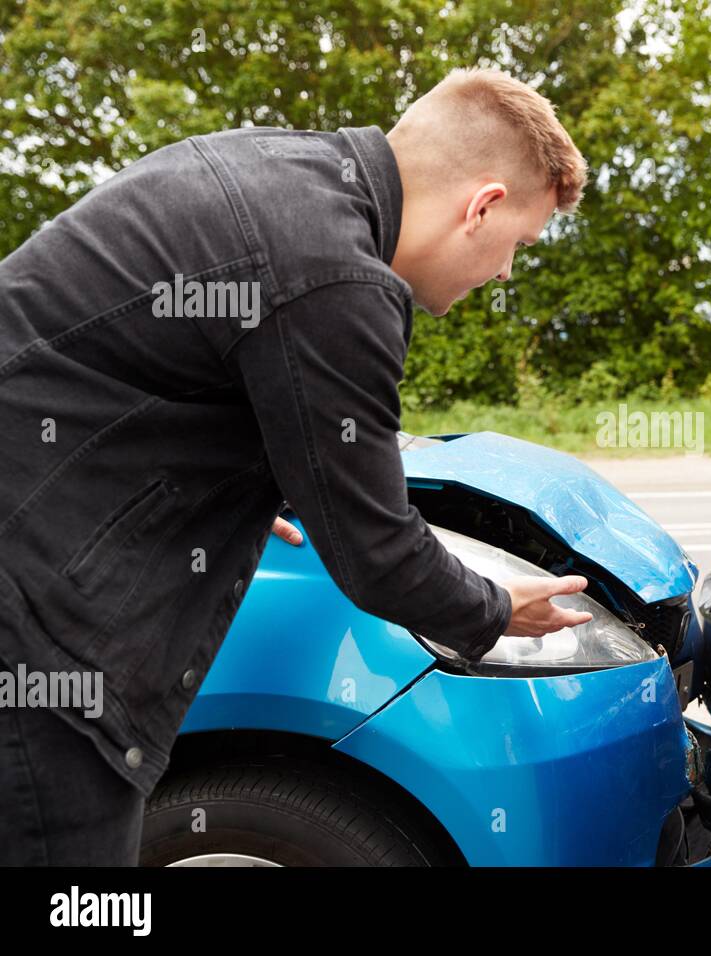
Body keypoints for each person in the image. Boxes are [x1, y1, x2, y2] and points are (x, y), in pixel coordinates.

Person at [0, 67, 595, 864]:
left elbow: (146, 364)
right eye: (517, 245)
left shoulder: (284, 174)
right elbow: (379, 555)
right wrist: (494, 611)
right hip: (35, 626)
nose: (504, 274)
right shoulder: (335, 278)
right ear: (481, 205)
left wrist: (242, 476)